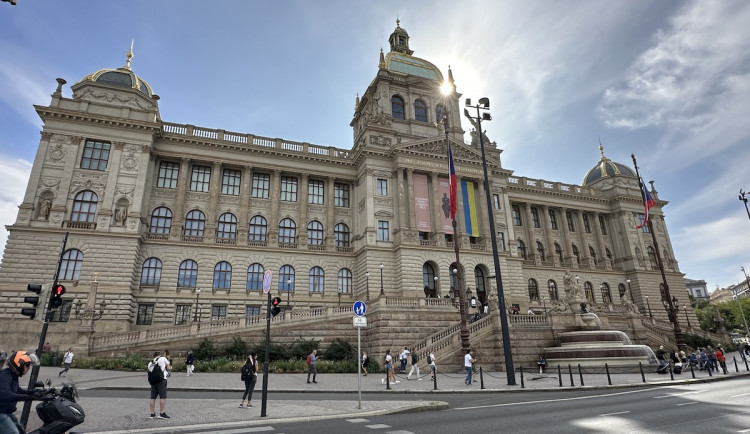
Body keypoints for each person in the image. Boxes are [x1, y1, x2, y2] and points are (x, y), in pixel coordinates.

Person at [0, 351, 43, 434]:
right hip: (1, 413)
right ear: (18, 364)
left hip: (7, 412)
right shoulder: (4, 376)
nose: (29, 368)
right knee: (14, 432)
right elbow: (8, 395)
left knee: (21, 431)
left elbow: (17, 390)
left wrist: (34, 392)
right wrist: (31, 397)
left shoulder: (13, 375)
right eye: (27, 365)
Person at [148, 351, 171, 419]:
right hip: (161, 380)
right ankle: (162, 413)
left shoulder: (150, 362)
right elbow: (168, 367)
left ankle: (152, 414)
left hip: (153, 381)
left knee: (153, 398)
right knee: (162, 397)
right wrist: (168, 372)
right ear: (159, 355)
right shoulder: (163, 358)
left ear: (154, 356)